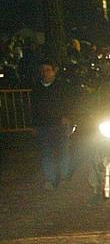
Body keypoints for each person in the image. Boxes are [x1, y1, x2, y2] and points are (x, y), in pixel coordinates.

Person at [30, 59, 74, 189]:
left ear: (54, 71)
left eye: (48, 70)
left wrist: (68, 117)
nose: (45, 73)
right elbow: (34, 107)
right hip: (43, 125)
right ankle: (50, 179)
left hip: (60, 124)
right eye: (43, 71)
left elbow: (70, 103)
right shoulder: (37, 88)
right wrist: (33, 125)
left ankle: (64, 177)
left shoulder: (62, 86)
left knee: (63, 152)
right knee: (46, 153)